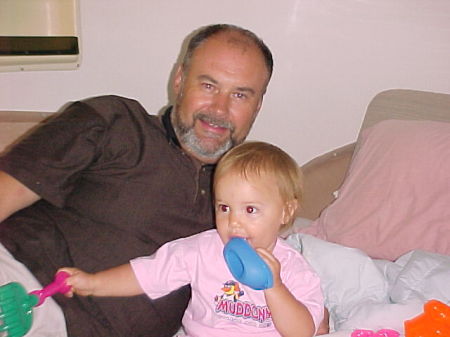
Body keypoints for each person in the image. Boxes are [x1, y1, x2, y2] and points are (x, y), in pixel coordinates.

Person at [0, 24, 273, 337]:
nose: (219, 109)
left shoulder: (251, 193)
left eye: (240, 95)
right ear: (180, 80)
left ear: (257, 107)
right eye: (209, 86)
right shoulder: (114, 121)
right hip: (20, 287)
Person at [61, 141, 324, 337]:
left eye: (250, 210)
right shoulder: (201, 250)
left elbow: (301, 332)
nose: (234, 221)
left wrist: (274, 286)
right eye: (224, 207)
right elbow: (148, 273)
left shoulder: (292, 268)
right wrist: (94, 283)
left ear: (286, 211)